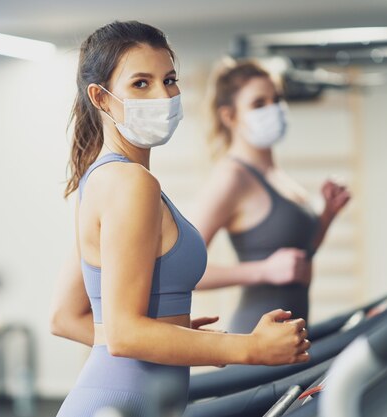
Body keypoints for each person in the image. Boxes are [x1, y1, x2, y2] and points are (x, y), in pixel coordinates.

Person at [50, 22, 311, 417]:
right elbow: (124, 335)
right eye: (141, 83)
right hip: (119, 404)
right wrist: (250, 348)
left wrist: (173, 338)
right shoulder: (131, 183)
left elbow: (67, 317)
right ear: (100, 98)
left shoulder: (105, 176)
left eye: (169, 79)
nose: (164, 94)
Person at [192, 59, 351, 333]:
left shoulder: (275, 174)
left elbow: (299, 258)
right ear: (229, 116)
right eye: (258, 103)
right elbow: (184, 271)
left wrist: (327, 215)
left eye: (276, 99)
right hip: (257, 339)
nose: (273, 109)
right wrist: (262, 270)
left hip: (292, 337)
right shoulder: (232, 177)